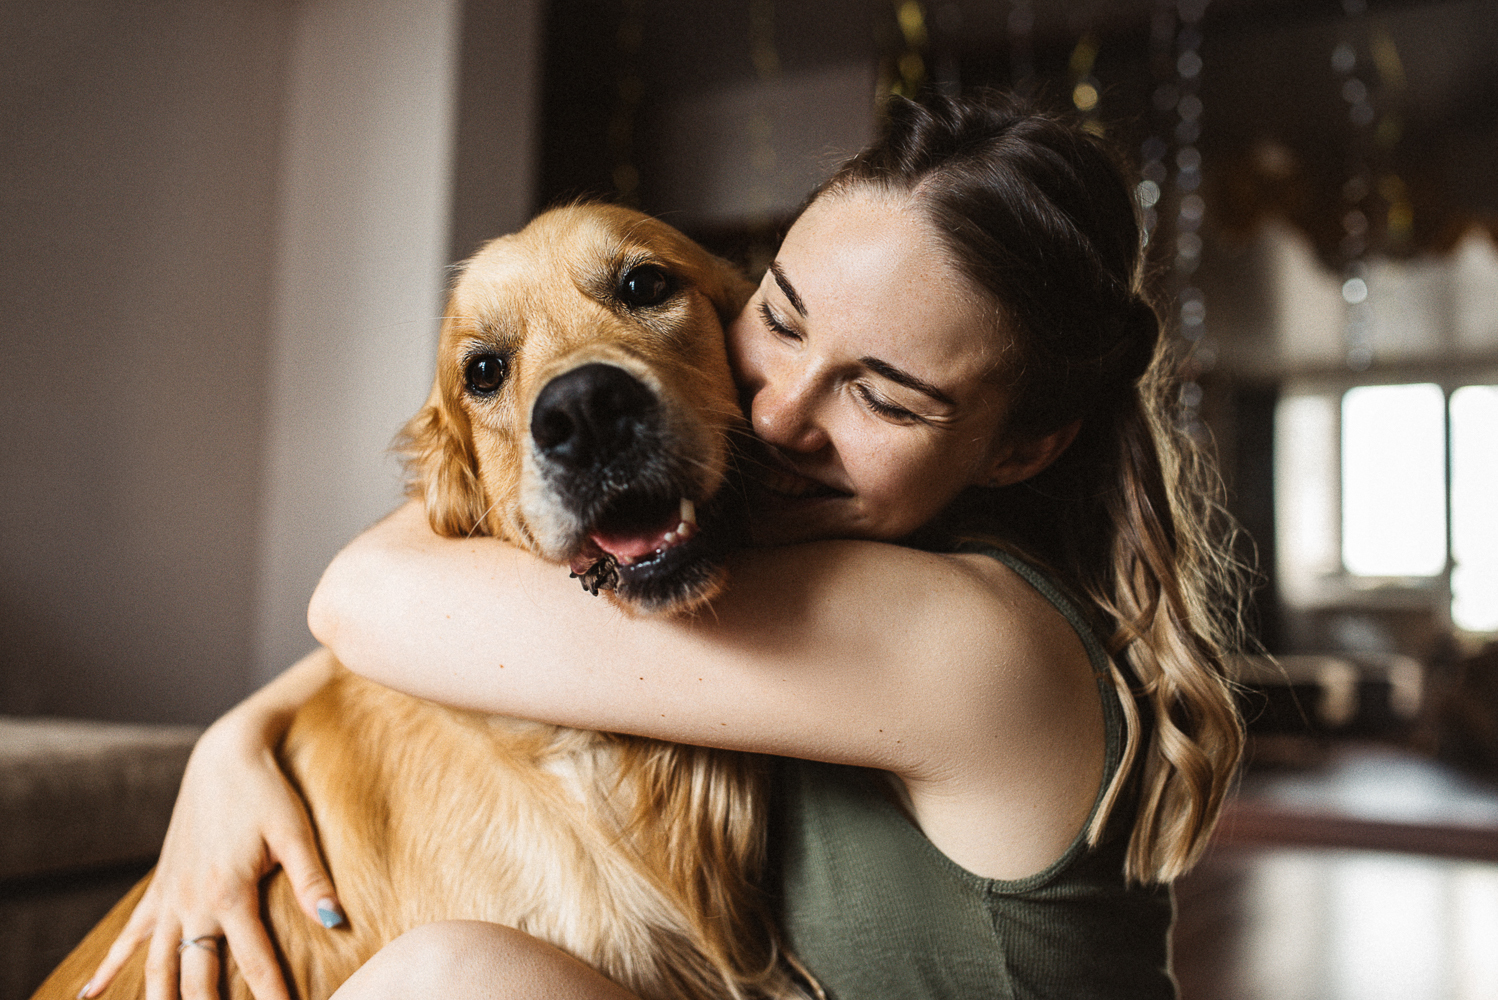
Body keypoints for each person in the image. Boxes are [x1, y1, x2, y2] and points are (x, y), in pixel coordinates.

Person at [85, 91, 1245, 1000]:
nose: (783, 414)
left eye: (885, 397)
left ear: (1021, 449)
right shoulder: (794, 546)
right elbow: (454, 542)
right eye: (780, 318)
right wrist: (249, 732)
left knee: (455, 980)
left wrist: (245, 728)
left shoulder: (960, 641)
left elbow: (366, 592)